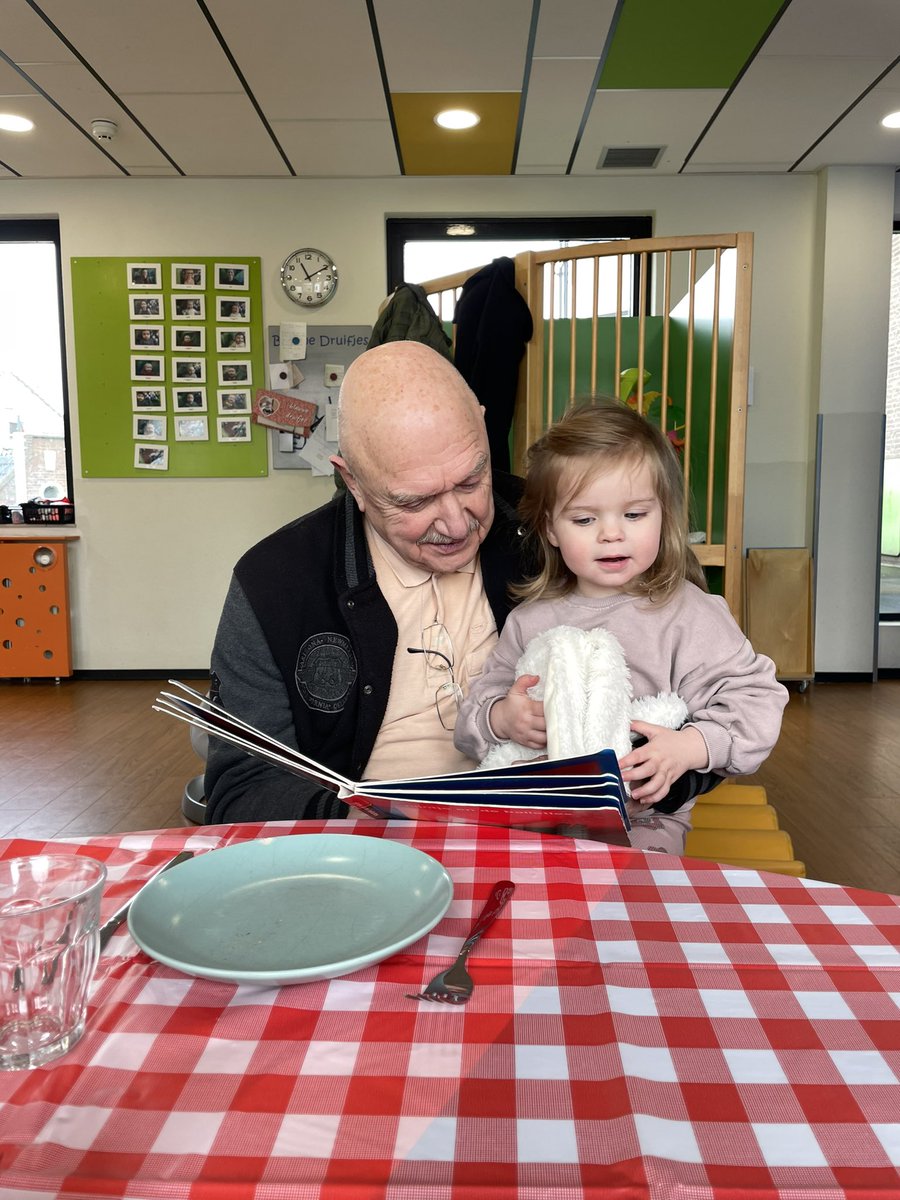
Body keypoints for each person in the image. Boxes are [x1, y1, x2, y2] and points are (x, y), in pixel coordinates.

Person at [204, 341, 530, 824]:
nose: (458, 525)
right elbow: (241, 790)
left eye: (470, 481)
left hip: (541, 826)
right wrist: (367, 822)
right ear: (352, 482)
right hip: (365, 845)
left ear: (483, 427)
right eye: (415, 502)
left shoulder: (553, 527)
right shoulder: (274, 584)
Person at [453, 399, 788, 854]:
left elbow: (758, 700)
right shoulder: (529, 620)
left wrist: (690, 747)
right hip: (533, 818)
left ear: (663, 514)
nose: (611, 534)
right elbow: (472, 720)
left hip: (643, 825)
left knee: (627, 893)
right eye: (585, 519)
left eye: (634, 515)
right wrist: (502, 718)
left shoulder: (691, 614)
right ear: (550, 529)